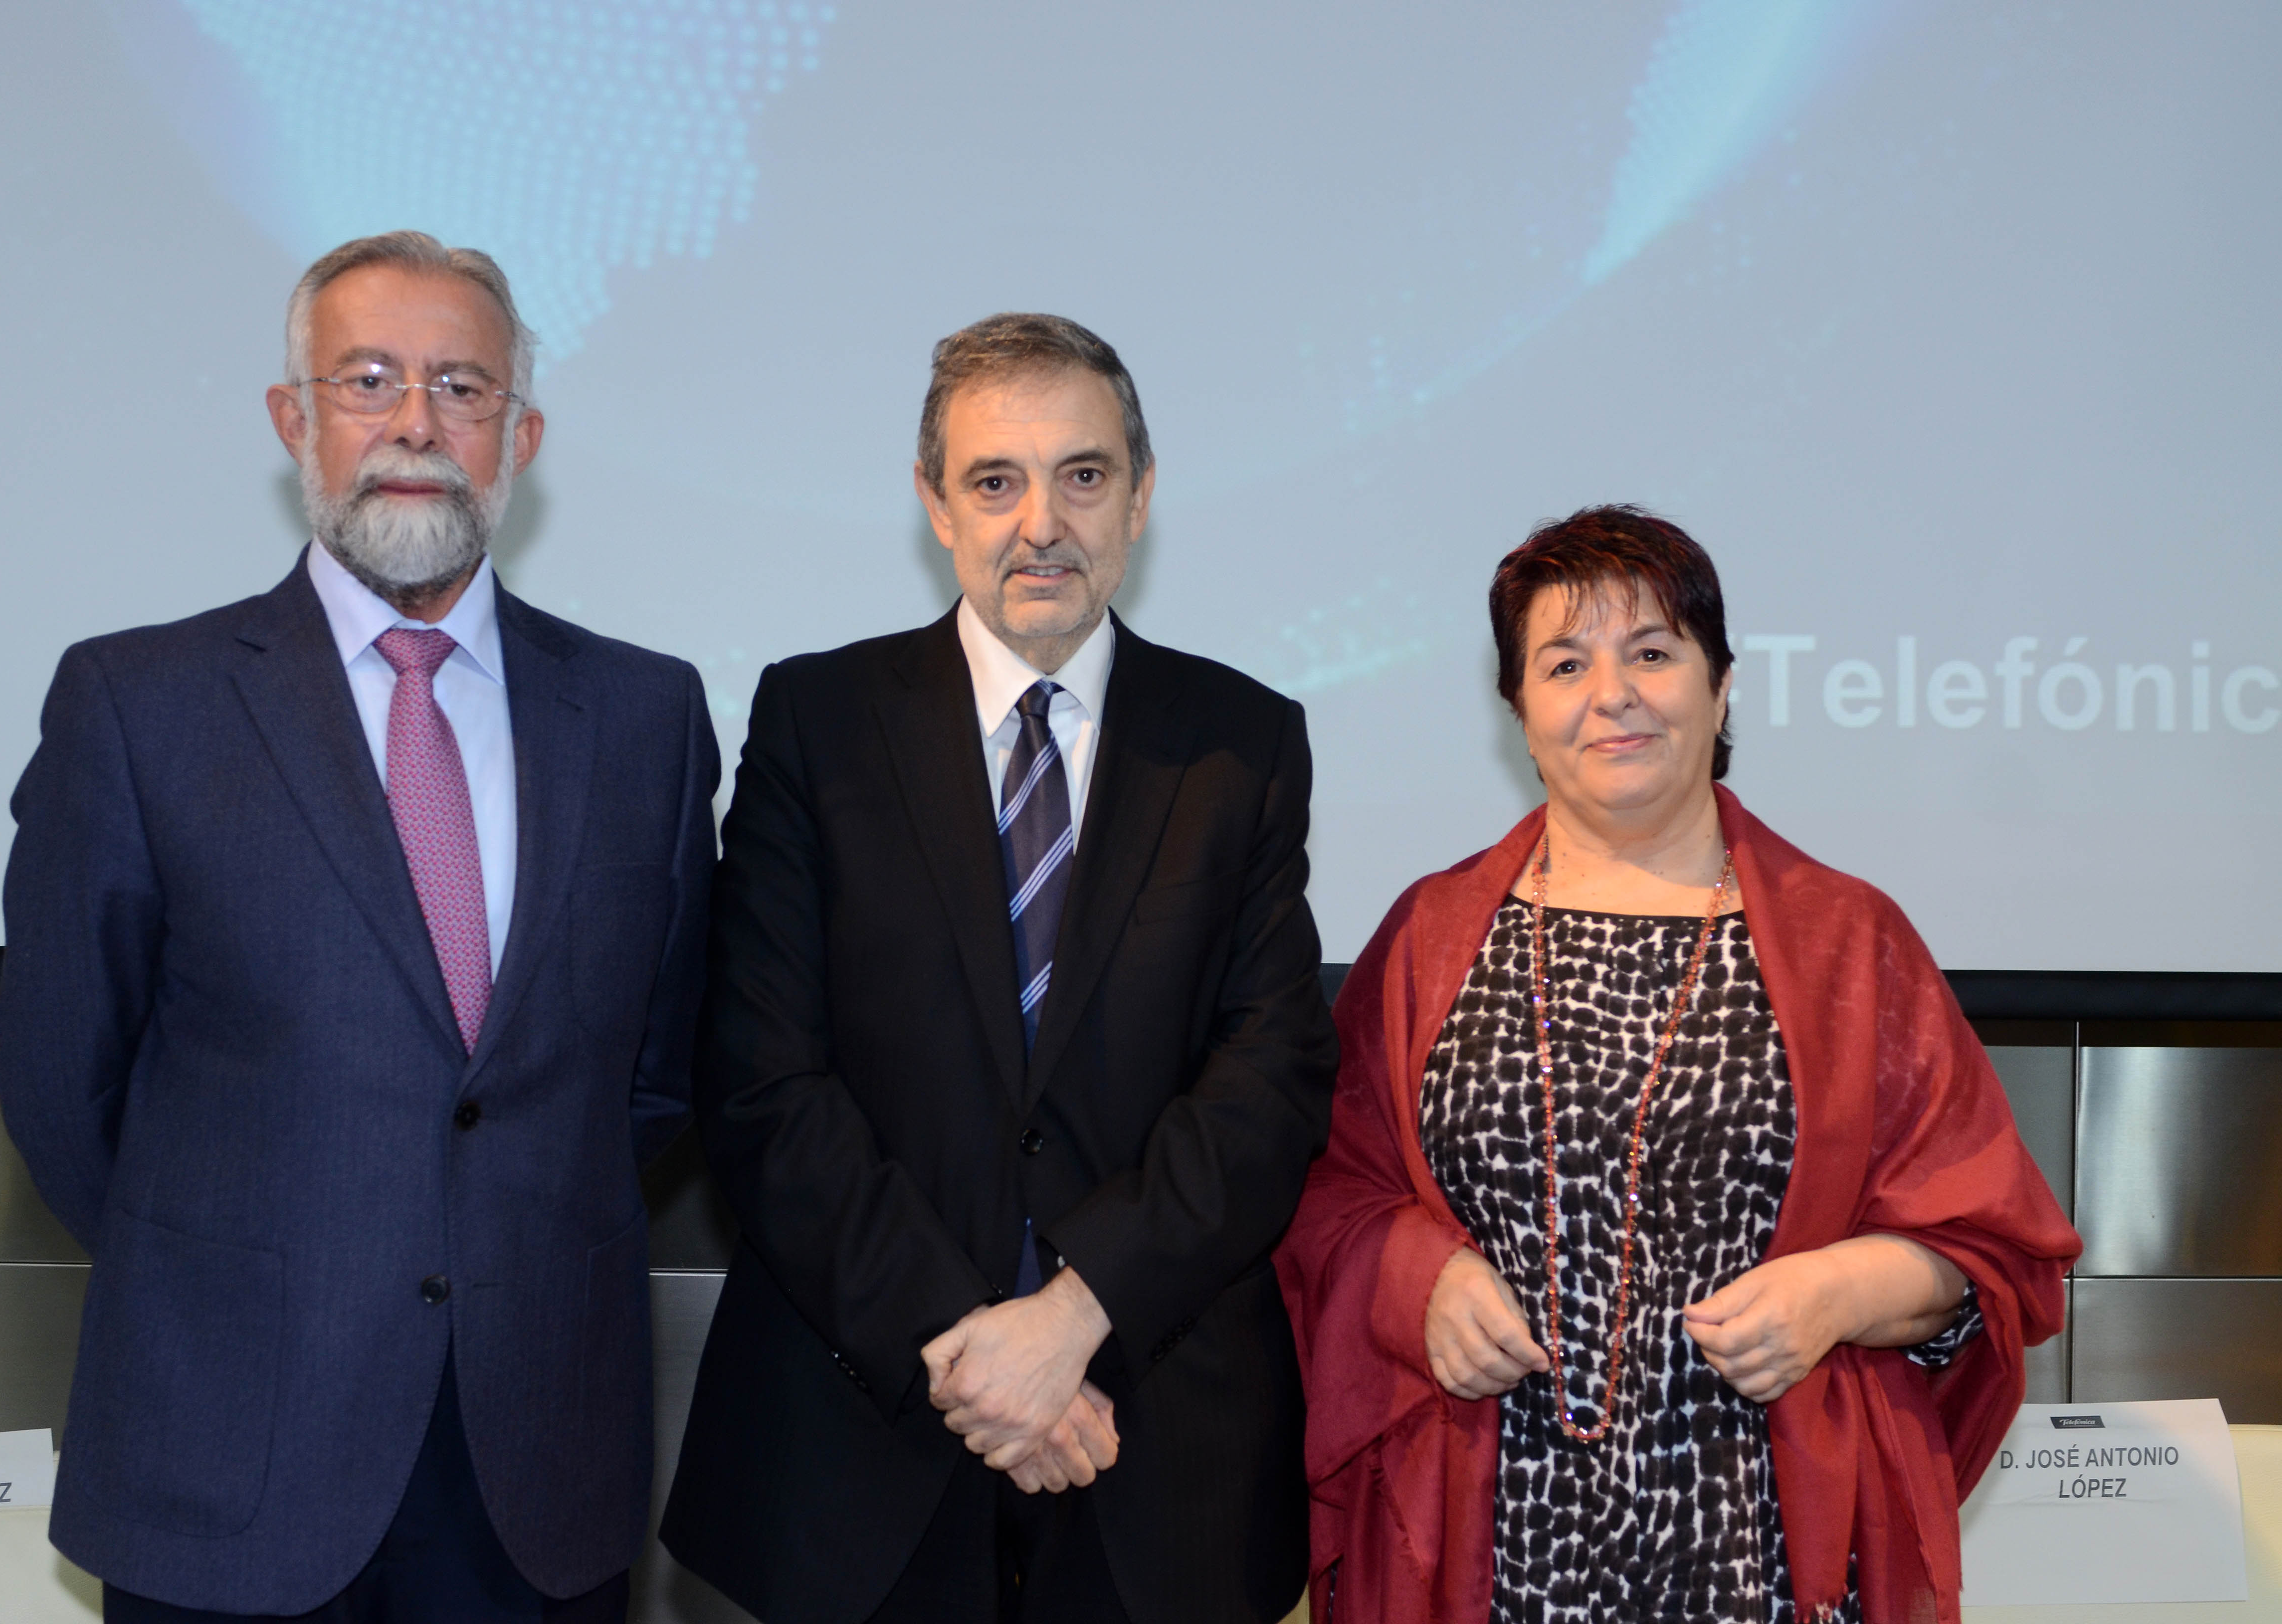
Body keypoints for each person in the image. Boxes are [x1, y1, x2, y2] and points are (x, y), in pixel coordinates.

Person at [0, 231, 716, 1622]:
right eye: (367, 380)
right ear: (293, 419)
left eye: (460, 387)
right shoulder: (139, 707)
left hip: (535, 1474)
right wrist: (253, 1255)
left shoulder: (647, 719)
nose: (413, 425)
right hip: (228, 1455)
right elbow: (61, 1086)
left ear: (522, 435)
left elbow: (650, 1074)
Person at [1274, 506, 2081, 1624]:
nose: (1613, 693)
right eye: (1565, 662)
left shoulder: (1852, 942)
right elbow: (1317, 1191)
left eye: (1652, 651)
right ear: (1517, 708)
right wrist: (1420, 1280)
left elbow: (1991, 1254)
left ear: (1721, 683)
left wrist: (1836, 1290)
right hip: (1479, 1546)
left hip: (1769, 1550)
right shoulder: (1426, 937)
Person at [658, 313, 1338, 1624]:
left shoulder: (1241, 743)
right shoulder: (818, 724)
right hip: (860, 1456)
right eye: (995, 480)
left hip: (1154, 1467)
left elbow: (1269, 1083)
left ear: (1140, 498)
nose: (1043, 521)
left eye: (1084, 475)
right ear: (933, 504)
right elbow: (762, 1083)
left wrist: (1074, 1315)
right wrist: (975, 1358)